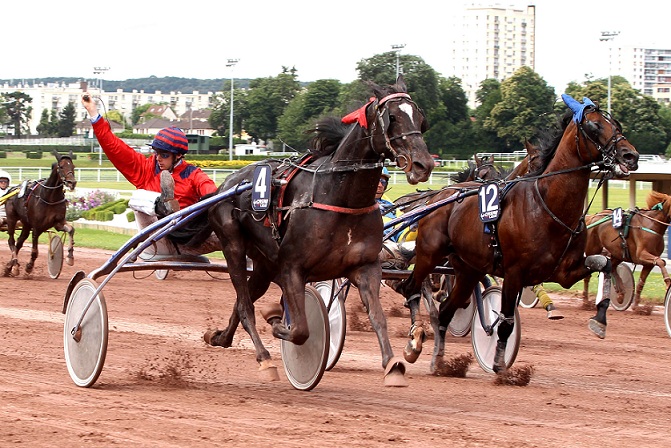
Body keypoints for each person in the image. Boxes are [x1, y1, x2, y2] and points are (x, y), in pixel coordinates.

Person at [81, 93, 218, 259]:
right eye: (156, 153)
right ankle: (163, 206)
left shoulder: (195, 175)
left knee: (228, 224)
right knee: (137, 197)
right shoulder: (146, 168)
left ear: (178, 156)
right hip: (156, 240)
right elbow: (113, 146)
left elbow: (213, 196)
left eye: (164, 155)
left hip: (189, 240)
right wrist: (93, 113)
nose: (158, 158)